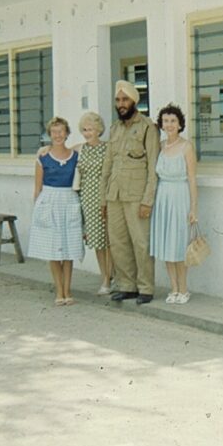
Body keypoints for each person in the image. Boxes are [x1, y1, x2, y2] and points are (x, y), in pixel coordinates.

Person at [101, 80, 159, 304]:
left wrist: (148, 200)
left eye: (125, 99)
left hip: (136, 196)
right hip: (114, 194)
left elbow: (153, 166)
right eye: (118, 100)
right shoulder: (114, 128)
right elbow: (107, 166)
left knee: (140, 242)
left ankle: (145, 287)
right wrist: (103, 200)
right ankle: (127, 285)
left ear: (134, 101)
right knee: (118, 241)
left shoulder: (147, 127)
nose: (121, 104)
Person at [27, 116, 84, 305]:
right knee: (53, 251)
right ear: (49, 135)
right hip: (50, 202)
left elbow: (91, 141)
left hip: (69, 200)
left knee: (68, 251)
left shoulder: (75, 155)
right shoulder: (43, 157)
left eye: (61, 131)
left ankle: (68, 290)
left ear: (67, 133)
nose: (58, 135)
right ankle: (59, 291)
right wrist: (38, 211)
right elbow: (38, 189)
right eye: (54, 132)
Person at [149, 104, 198, 304]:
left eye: (173, 121)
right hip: (162, 197)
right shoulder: (159, 146)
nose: (169, 125)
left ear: (179, 124)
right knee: (166, 244)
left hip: (180, 196)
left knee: (179, 244)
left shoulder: (186, 147)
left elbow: (193, 178)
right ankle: (174, 288)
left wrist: (194, 207)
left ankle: (184, 289)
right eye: (165, 121)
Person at [74, 111, 113, 294]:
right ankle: (104, 277)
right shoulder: (80, 148)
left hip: (105, 196)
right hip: (87, 198)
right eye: (84, 130)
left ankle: (110, 277)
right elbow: (60, 151)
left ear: (99, 129)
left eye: (90, 129)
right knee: (97, 241)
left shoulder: (108, 148)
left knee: (110, 240)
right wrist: (44, 149)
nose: (87, 133)